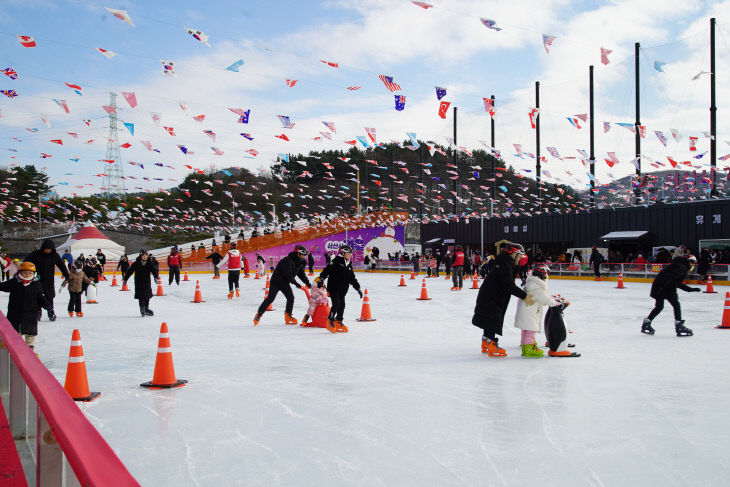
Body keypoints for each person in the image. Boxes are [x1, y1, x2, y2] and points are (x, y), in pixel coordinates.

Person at [472, 242, 533, 357]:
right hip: (492, 296)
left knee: (490, 318)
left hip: (491, 295)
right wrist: (525, 296)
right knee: (492, 318)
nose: (520, 259)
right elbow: (508, 285)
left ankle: (486, 341)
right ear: (513, 254)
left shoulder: (504, 263)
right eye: (519, 256)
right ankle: (490, 343)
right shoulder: (505, 265)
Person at [641, 255, 700, 337]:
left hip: (658, 286)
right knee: (676, 305)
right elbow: (671, 279)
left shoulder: (676, 265)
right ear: (688, 261)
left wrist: (690, 289)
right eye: (692, 262)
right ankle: (679, 326)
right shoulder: (682, 267)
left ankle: (646, 323)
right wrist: (664, 288)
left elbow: (676, 282)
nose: (692, 265)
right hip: (666, 287)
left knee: (659, 306)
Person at [254, 245, 311, 326]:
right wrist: (296, 284)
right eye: (303, 255)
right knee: (270, 299)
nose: (304, 257)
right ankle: (259, 314)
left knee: (290, 297)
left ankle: (288, 316)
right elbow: (287, 274)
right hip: (276, 281)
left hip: (285, 283)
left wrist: (308, 283)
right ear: (298, 254)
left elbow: (301, 274)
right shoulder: (287, 260)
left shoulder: (299, 262)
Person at [0, 262, 53, 349]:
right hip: (15, 313)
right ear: (20, 273)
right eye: (25, 273)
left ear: (33, 273)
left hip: (30, 314)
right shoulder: (14, 282)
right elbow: (2, 286)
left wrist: (48, 307)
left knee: (30, 332)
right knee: (14, 332)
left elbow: (41, 298)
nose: (27, 275)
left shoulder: (36, 284)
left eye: (30, 273)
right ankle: (15, 349)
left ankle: (30, 349)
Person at [514, 265, 559, 357]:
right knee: (531, 330)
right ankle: (530, 348)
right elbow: (545, 299)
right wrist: (555, 303)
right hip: (531, 313)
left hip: (527, 312)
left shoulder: (532, 284)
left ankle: (525, 345)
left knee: (526, 329)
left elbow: (544, 296)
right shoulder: (537, 288)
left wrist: (553, 298)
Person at [318, 244, 362, 333]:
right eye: (349, 253)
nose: (350, 255)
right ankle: (330, 320)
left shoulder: (348, 263)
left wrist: (358, 288)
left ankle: (338, 321)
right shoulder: (336, 261)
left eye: (351, 253)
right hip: (333, 287)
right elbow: (326, 270)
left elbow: (352, 278)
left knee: (342, 305)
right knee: (336, 304)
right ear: (343, 253)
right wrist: (321, 279)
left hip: (343, 289)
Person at [25, 239, 70, 321]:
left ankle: (51, 311)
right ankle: (38, 312)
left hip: (49, 280)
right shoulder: (36, 254)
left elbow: (62, 266)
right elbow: (26, 262)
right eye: (46, 249)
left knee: (50, 296)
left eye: (49, 249)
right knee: (37, 295)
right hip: (37, 279)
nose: (48, 251)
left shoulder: (55, 255)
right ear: (43, 248)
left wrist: (67, 276)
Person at [123, 249, 160, 317]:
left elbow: (154, 270)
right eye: (143, 255)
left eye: (146, 255)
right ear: (140, 256)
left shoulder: (149, 263)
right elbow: (130, 271)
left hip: (147, 282)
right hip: (138, 282)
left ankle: (146, 308)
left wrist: (156, 277)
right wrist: (125, 279)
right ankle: (142, 308)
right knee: (141, 296)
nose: (144, 257)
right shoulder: (136, 263)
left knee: (147, 295)